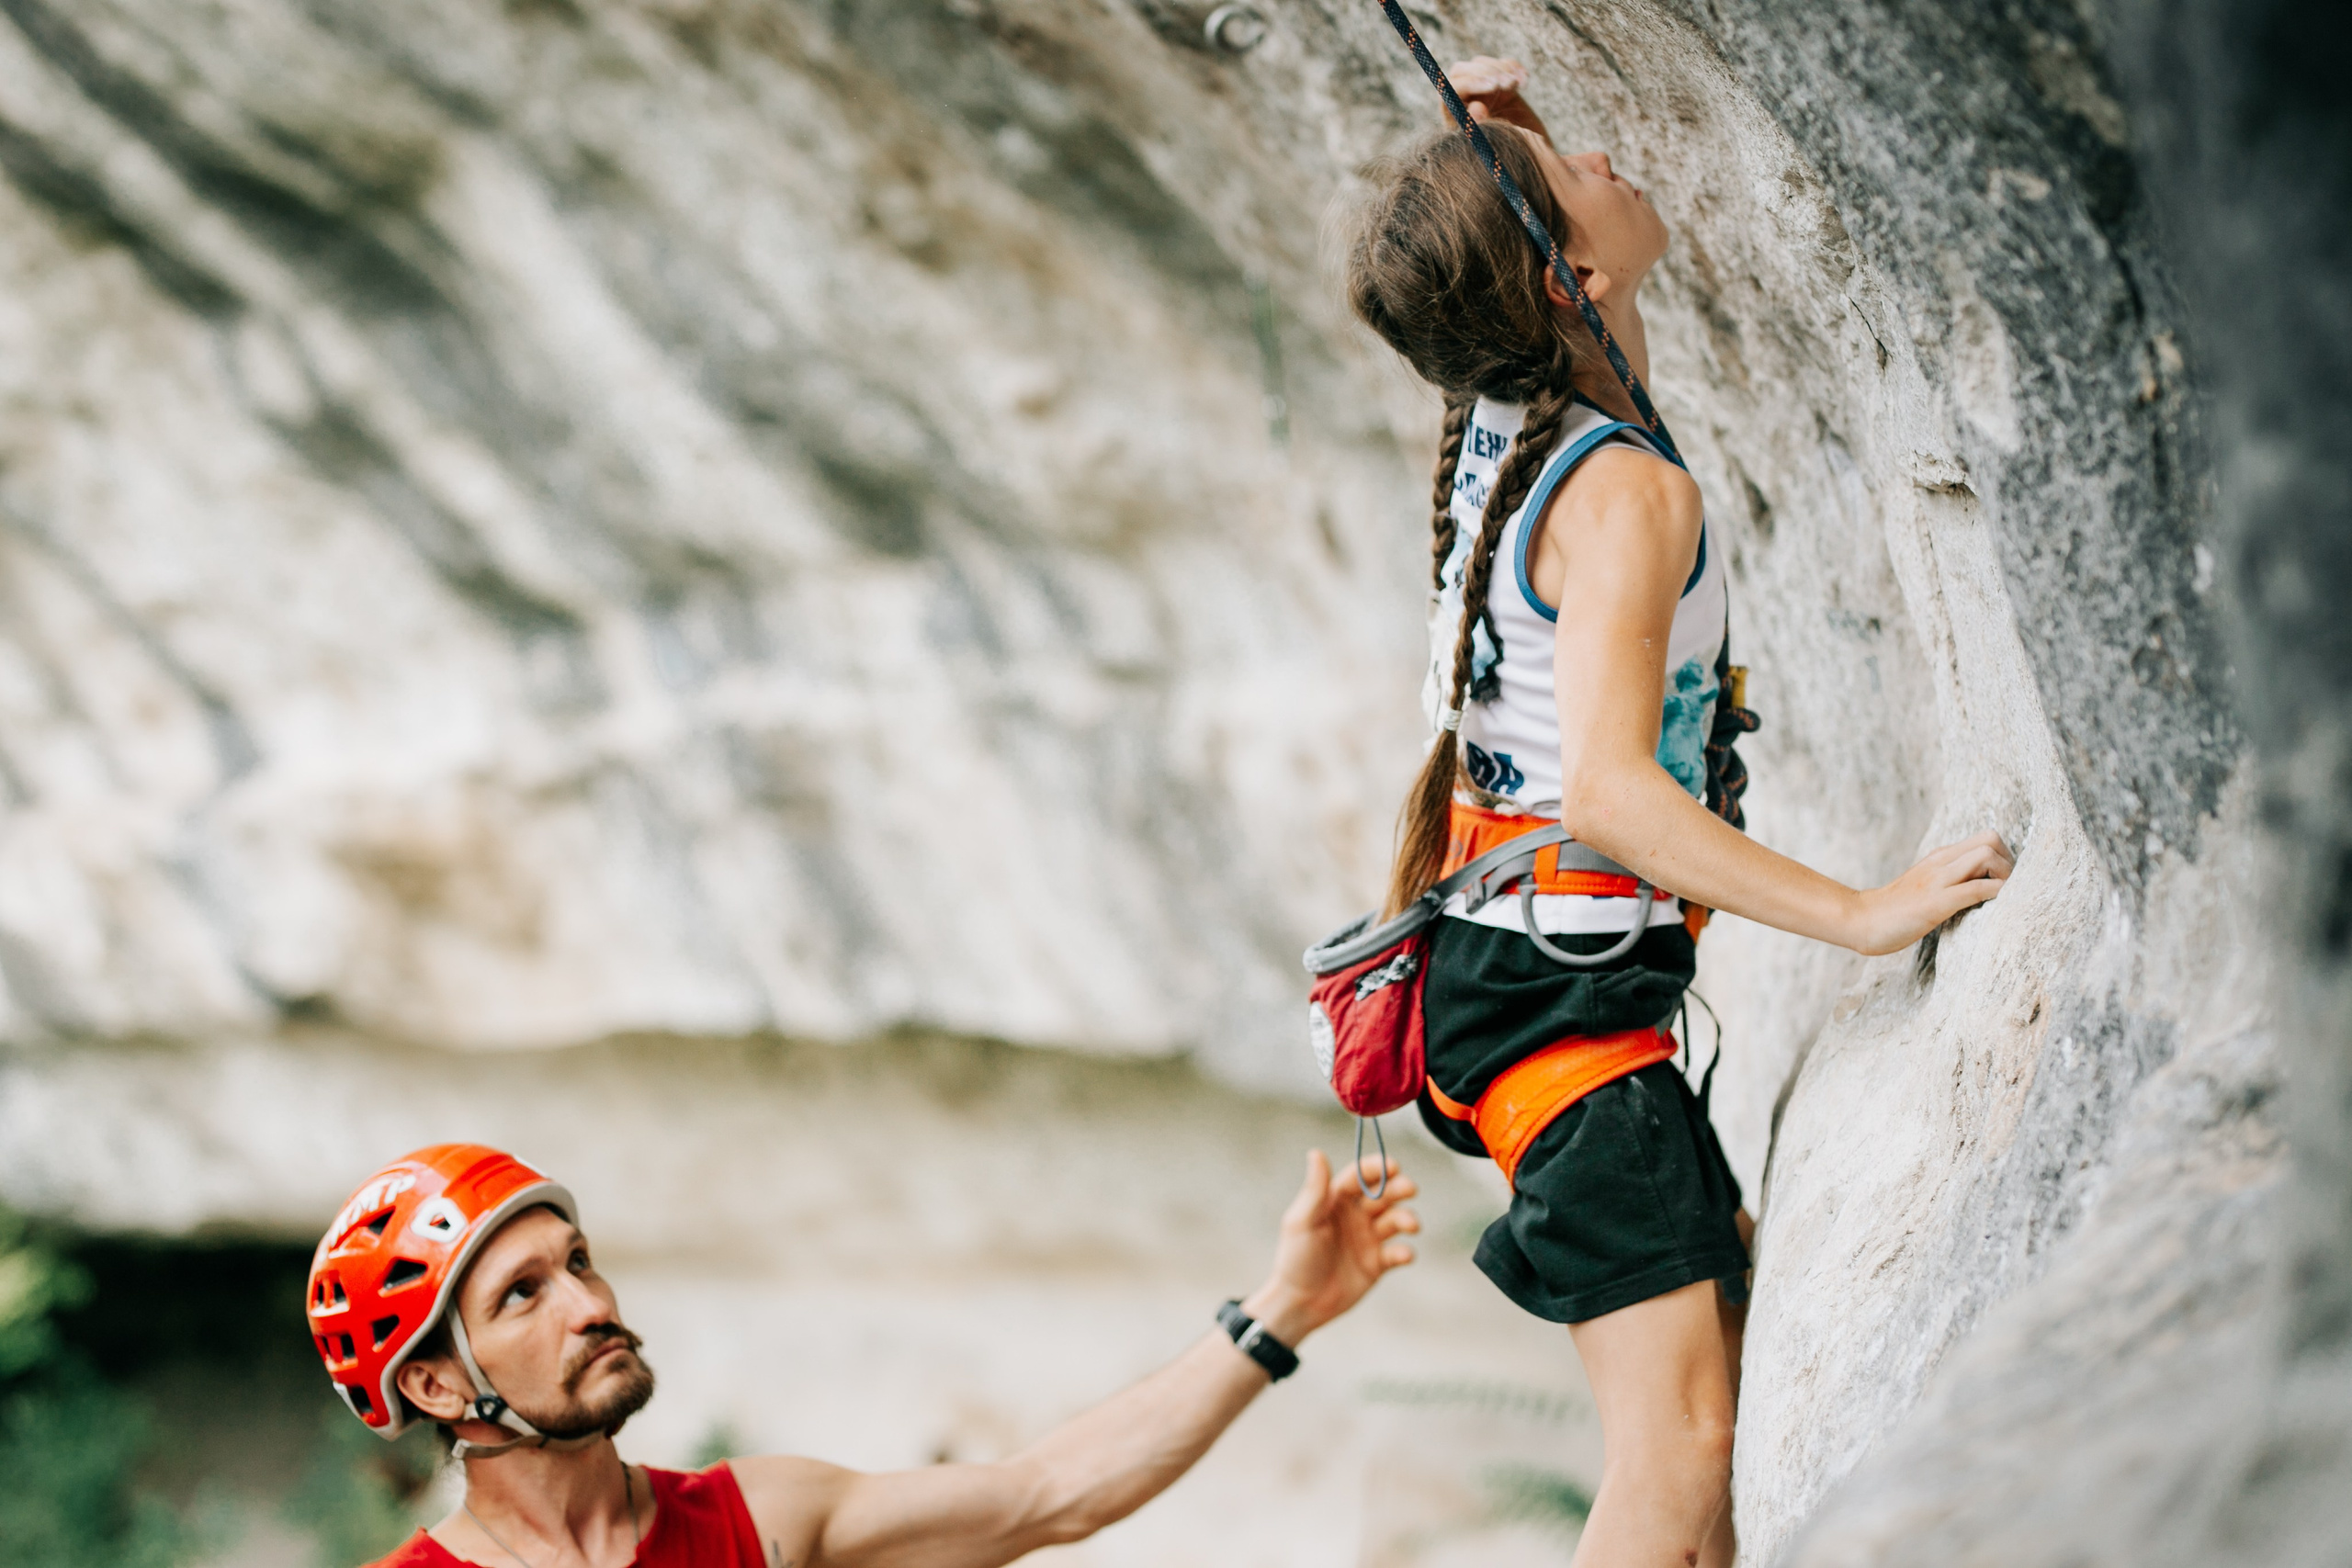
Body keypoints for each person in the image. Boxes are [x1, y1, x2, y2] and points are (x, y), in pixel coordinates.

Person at [1340, 56, 2013, 1568]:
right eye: (1574, 170)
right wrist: (1865, 911)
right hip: (1559, 1024)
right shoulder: (1623, 495)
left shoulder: (1512, 409)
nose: (1604, 154)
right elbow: (1613, 792)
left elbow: (1515, 282)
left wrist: (1487, 134)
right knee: (1683, 1452)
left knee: (1712, 1384)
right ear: (1566, 278)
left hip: (1512, 984)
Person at [305, 1142, 1419, 1567]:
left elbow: (1048, 1496)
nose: (590, 1303)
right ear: (439, 1383)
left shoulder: (754, 1522)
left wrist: (1283, 1309)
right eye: (524, 1295)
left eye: (581, 1262)